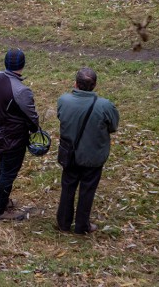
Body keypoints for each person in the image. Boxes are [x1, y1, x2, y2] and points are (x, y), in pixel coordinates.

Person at [56, 67, 120, 234]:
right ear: (94, 85)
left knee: (68, 186)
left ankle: (63, 222)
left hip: (70, 154)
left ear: (75, 83)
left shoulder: (63, 100)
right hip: (93, 156)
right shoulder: (105, 106)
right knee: (87, 189)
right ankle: (82, 225)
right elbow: (113, 126)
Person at [0, 49, 40, 221]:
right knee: (9, 172)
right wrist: (35, 129)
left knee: (4, 167)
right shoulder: (21, 90)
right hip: (13, 138)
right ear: (23, 65)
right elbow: (31, 115)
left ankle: (2, 201)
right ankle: (1, 211)